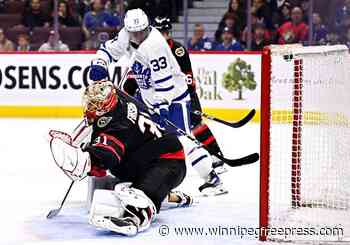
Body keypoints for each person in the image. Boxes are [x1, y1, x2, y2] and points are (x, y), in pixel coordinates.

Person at [89, 8, 227, 195]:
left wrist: (161, 108)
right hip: (147, 99)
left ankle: (212, 178)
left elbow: (165, 83)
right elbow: (107, 50)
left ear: (148, 27)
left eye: (141, 32)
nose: (138, 36)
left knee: (180, 141)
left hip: (174, 100)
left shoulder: (155, 45)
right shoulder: (126, 34)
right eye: (134, 33)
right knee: (141, 136)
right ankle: (137, 174)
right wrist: (99, 63)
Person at [50, 81, 192, 235]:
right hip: (144, 158)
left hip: (169, 160)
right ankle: (173, 197)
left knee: (139, 193)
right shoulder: (118, 104)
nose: (90, 107)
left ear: (106, 105)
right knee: (121, 180)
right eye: (89, 103)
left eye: (95, 104)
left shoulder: (118, 122)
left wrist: (88, 161)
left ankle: (134, 219)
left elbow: (109, 153)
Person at [153, 16, 227, 173]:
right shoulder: (152, 50)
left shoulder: (177, 51)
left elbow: (187, 76)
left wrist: (189, 98)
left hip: (184, 94)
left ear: (168, 33)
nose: (161, 35)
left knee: (196, 125)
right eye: (158, 32)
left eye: (164, 32)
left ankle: (216, 156)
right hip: (167, 96)